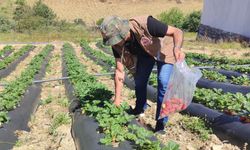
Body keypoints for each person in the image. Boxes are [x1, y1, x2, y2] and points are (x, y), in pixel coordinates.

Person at [99, 15, 185, 133]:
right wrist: (117, 100)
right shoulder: (116, 45)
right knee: (139, 80)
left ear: (124, 32)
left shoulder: (146, 24)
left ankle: (161, 124)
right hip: (146, 53)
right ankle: (139, 108)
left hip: (166, 48)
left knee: (163, 83)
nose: (115, 44)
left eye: (116, 39)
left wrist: (177, 48)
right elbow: (119, 71)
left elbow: (177, 31)